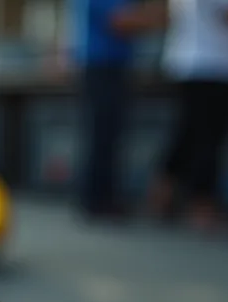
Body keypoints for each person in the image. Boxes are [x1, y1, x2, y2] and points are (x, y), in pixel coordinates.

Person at [148, 0, 228, 230]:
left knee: (189, 134)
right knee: (207, 139)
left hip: (210, 65)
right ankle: (201, 206)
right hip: (207, 65)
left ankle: (164, 196)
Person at [69, 0, 168, 219]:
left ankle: (105, 197)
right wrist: (159, 18)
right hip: (101, 66)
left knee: (111, 135)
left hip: (113, 66)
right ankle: (96, 199)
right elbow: (120, 21)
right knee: (102, 135)